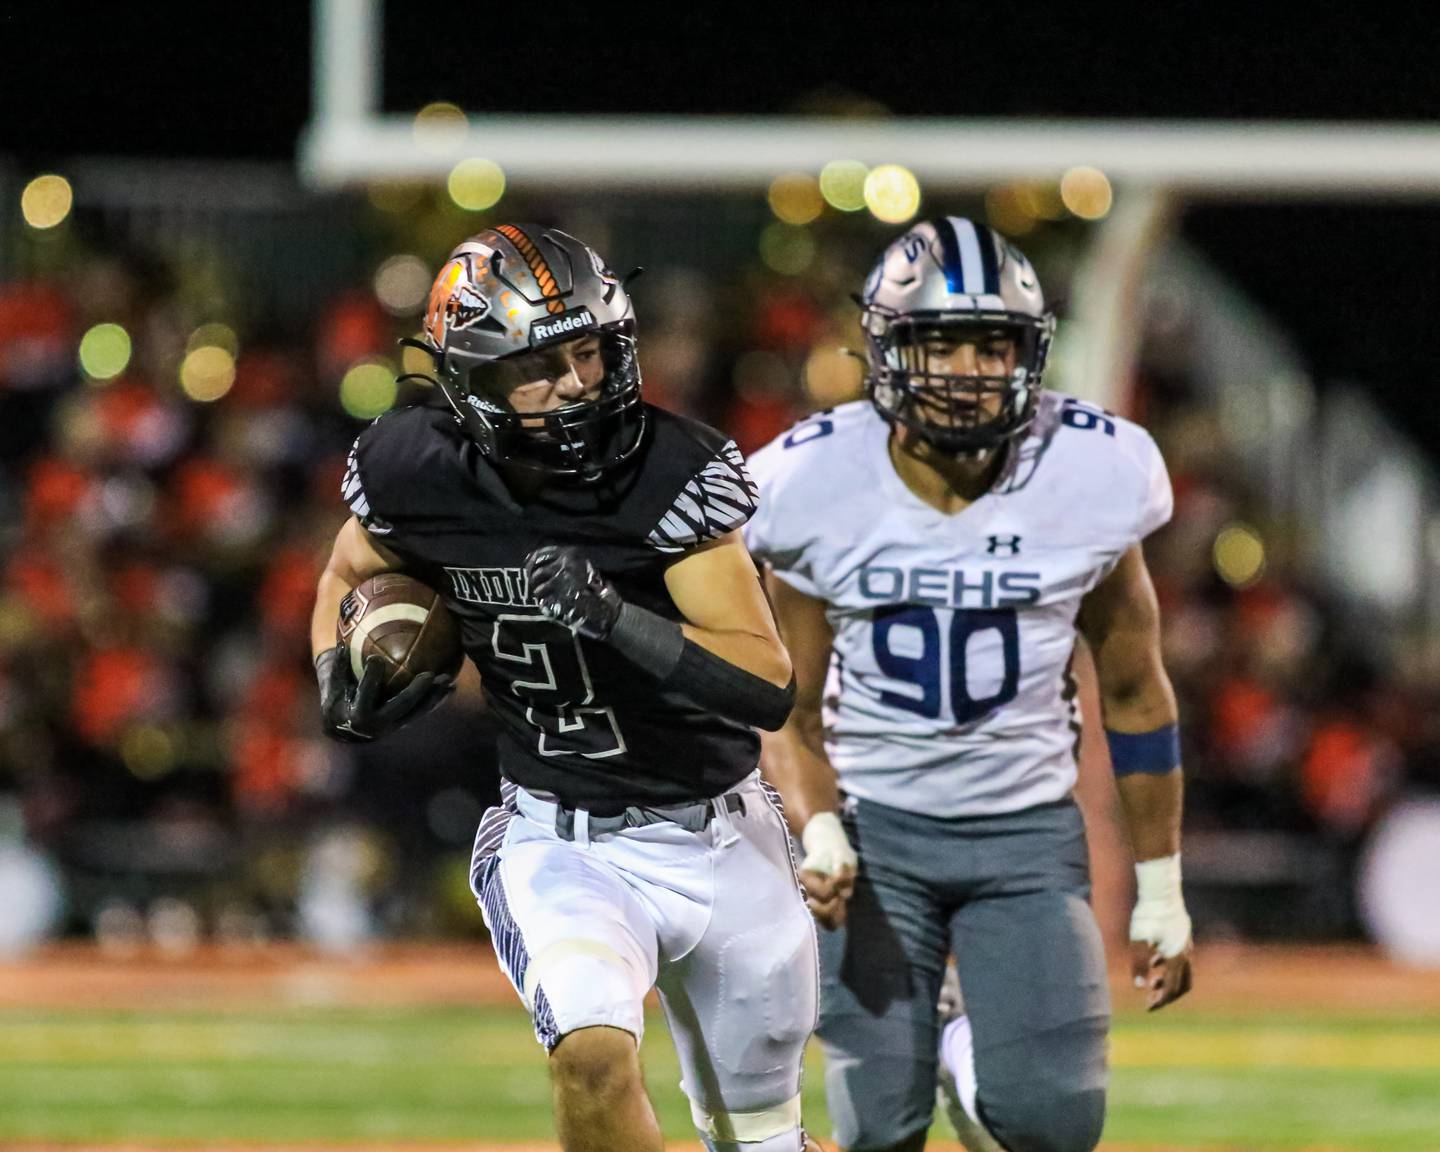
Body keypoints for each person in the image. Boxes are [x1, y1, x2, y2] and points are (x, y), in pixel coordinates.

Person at [309, 224, 820, 1152]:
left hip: (719, 831)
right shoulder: (414, 465)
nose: (577, 382)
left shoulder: (670, 469)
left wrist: (619, 618)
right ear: (468, 376)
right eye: (538, 365)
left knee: (763, 1142)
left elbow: (764, 680)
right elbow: (348, 570)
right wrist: (332, 671)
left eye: (589, 351)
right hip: (562, 834)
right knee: (590, 1052)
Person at [745, 217, 1195, 1152]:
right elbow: (784, 702)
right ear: (886, 353)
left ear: (1028, 354)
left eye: (991, 345)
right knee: (880, 1134)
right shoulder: (810, 480)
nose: (964, 369)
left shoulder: (1092, 472)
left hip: (1025, 835)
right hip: (876, 836)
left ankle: (970, 1054)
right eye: (937, 342)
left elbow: (1137, 692)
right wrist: (818, 825)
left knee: (1055, 1127)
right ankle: (944, 1044)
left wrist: (1159, 887)